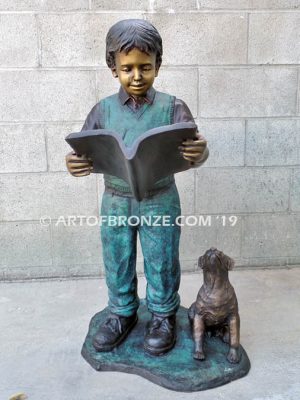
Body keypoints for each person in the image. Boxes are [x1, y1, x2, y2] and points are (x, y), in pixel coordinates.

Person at [66, 19, 209, 356]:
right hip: (116, 199)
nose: (136, 76)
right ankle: (121, 312)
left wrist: (201, 153)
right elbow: (82, 151)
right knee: (117, 258)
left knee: (161, 259)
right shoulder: (102, 110)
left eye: (145, 67)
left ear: (157, 65)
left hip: (160, 198)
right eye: (127, 68)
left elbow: (194, 149)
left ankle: (162, 315)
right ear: (113, 68)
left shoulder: (173, 107)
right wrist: (74, 163)